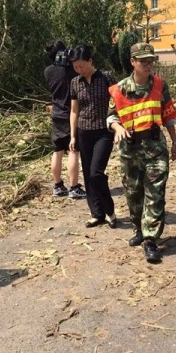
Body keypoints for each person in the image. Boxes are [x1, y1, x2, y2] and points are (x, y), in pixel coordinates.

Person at [107, 43, 176, 263]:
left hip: (155, 147)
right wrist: (117, 128)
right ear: (132, 62)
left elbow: (168, 115)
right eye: (143, 61)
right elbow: (111, 117)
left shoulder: (159, 84)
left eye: (150, 61)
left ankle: (150, 239)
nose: (148, 65)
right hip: (130, 149)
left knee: (155, 194)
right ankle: (138, 228)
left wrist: (175, 141)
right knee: (133, 193)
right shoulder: (118, 89)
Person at [68, 45, 117, 228]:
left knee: (96, 173)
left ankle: (110, 211)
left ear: (90, 61)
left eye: (82, 65)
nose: (79, 70)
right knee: (88, 175)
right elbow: (74, 110)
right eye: (75, 67)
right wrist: (73, 136)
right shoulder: (75, 82)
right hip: (83, 132)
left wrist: (118, 125)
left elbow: (117, 102)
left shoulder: (106, 77)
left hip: (104, 132)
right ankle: (97, 213)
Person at [43, 40, 86, 199]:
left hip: (56, 114)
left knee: (57, 151)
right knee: (73, 150)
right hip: (71, 115)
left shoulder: (48, 71)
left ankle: (58, 186)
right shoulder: (72, 72)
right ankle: (74, 187)